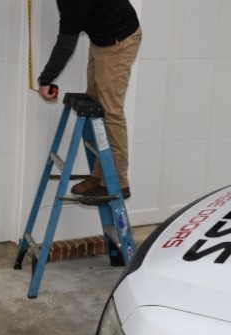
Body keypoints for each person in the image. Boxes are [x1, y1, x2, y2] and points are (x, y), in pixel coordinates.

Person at [37, 0, 141, 199]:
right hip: (102, 38)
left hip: (119, 41)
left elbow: (66, 45)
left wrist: (46, 80)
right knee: (95, 103)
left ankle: (119, 183)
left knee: (111, 111)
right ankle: (99, 175)